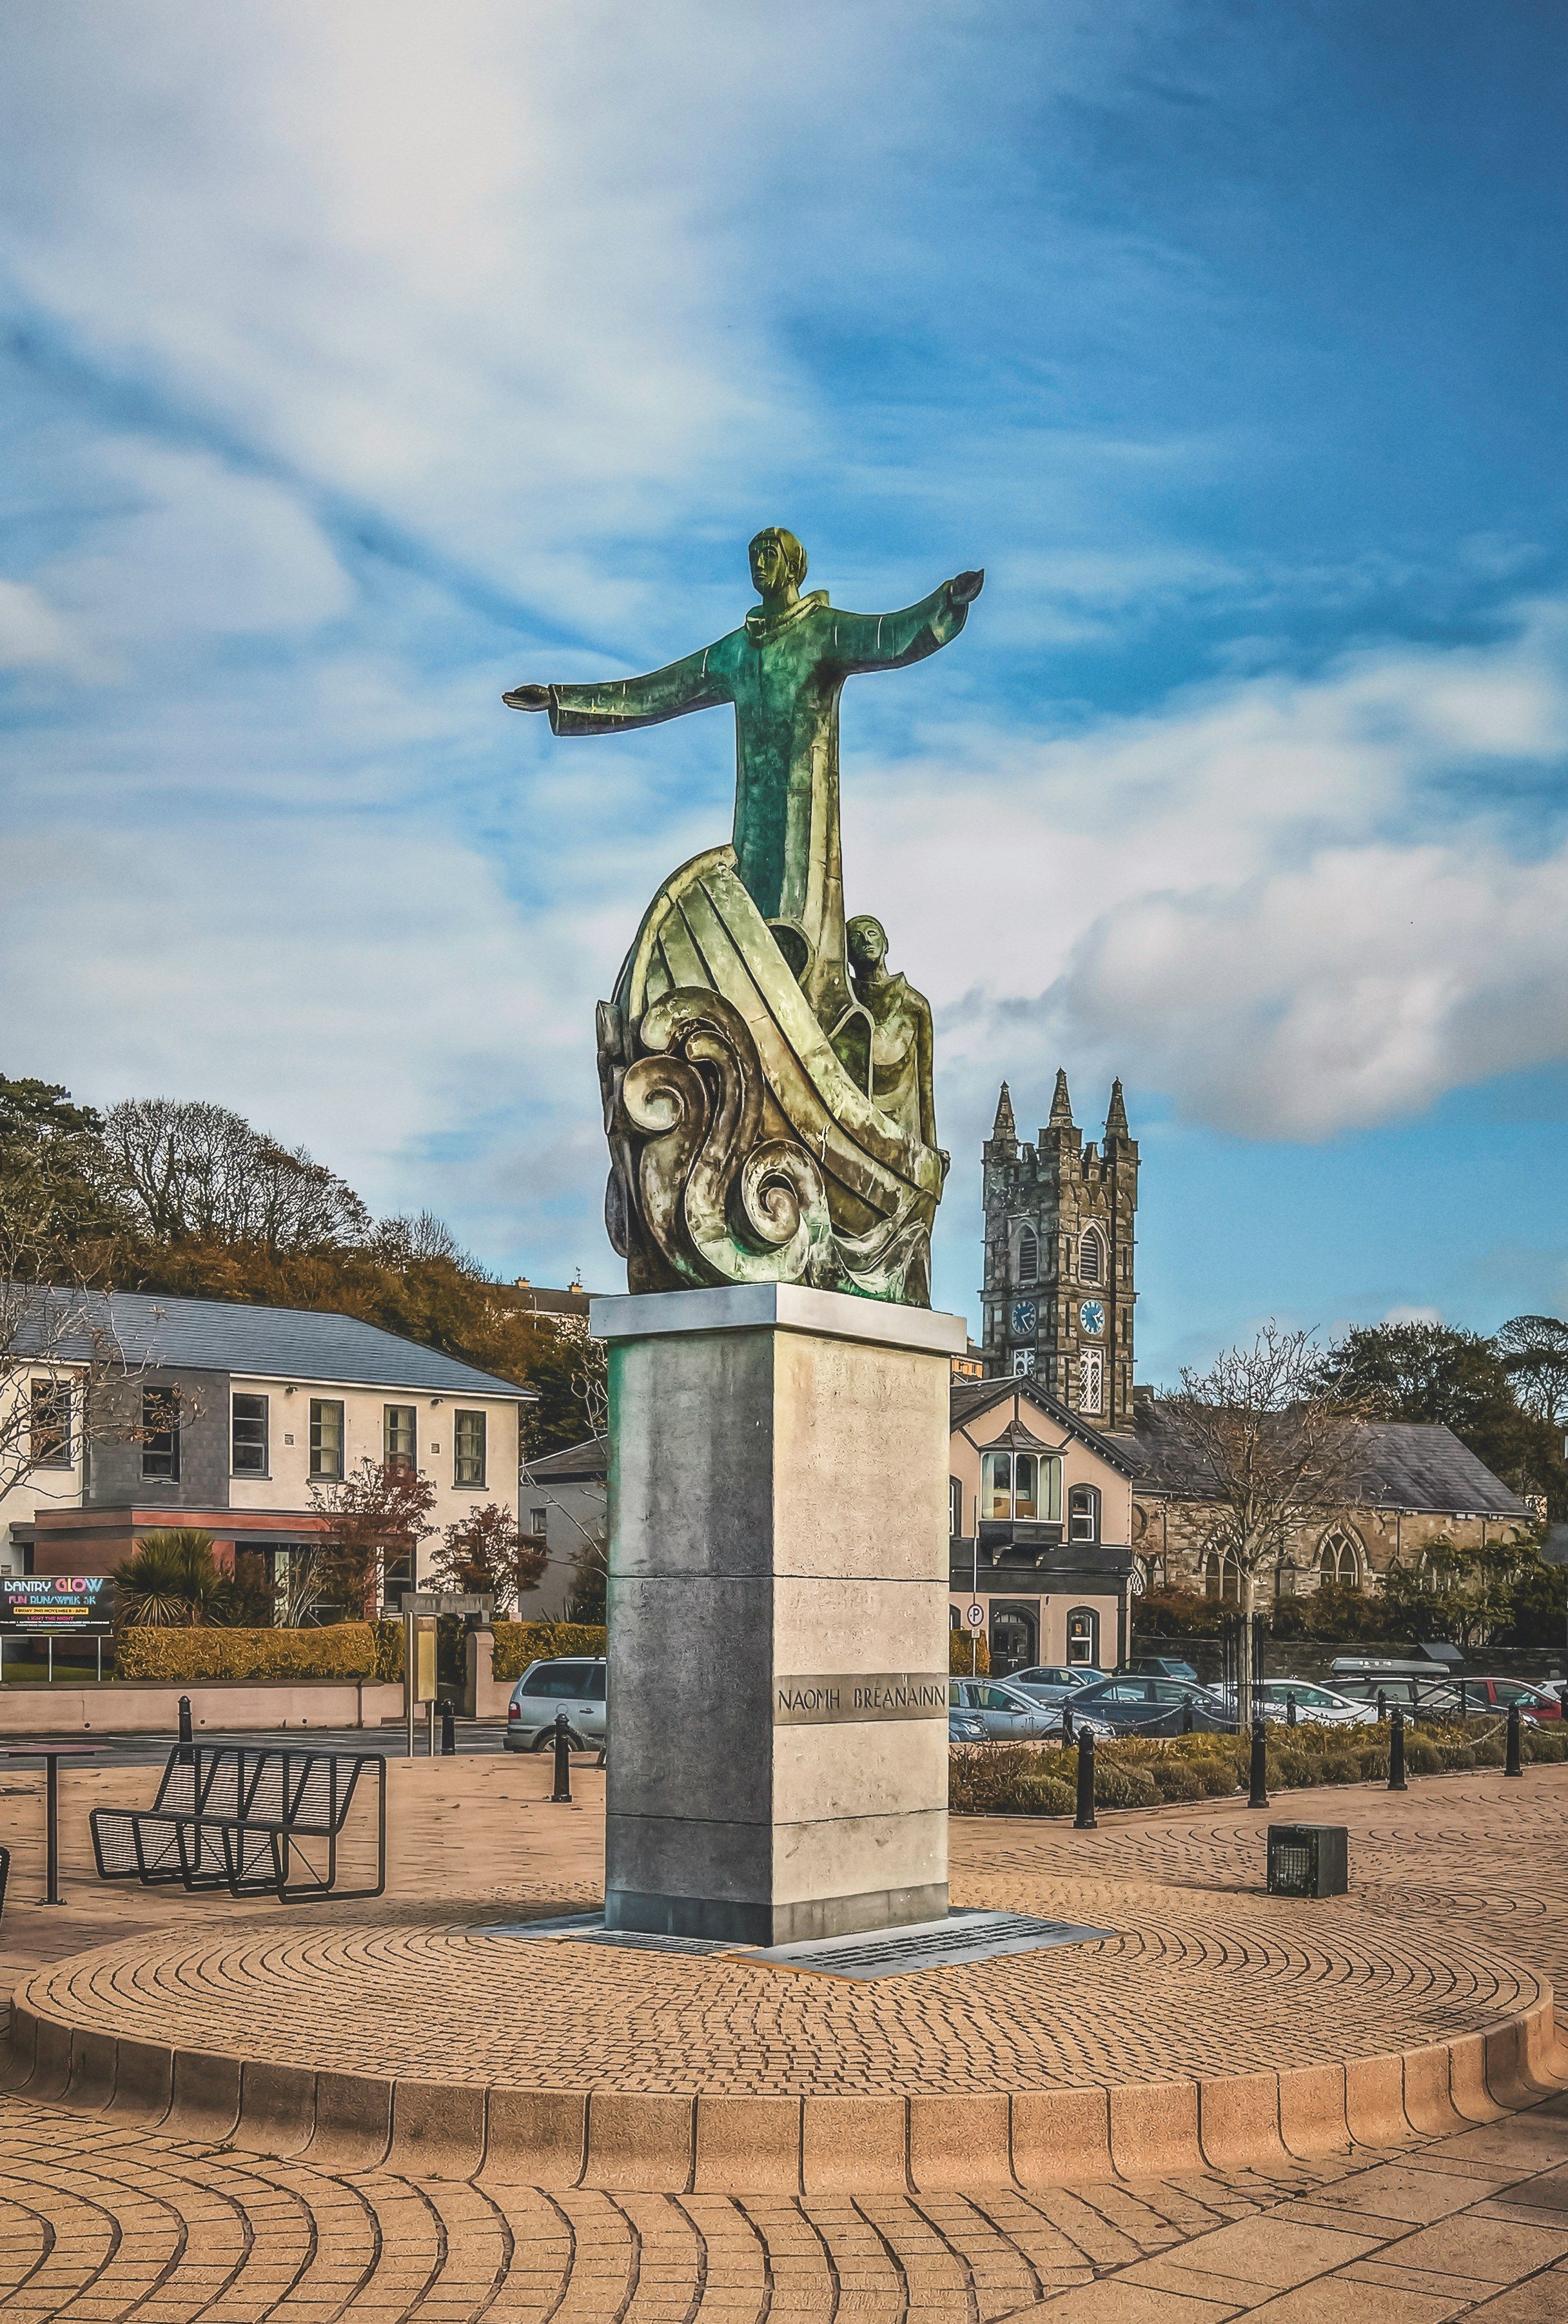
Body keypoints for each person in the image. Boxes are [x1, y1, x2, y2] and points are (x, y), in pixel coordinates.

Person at [506, 530, 982, 1036]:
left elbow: (889, 635)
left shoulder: (822, 633)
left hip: (807, 822)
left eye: (769, 555)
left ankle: (806, 1030)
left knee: (798, 931)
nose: (758, 564)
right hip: (754, 821)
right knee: (748, 935)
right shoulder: (737, 652)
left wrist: (945, 603)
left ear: (793, 566)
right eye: (753, 556)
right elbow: (657, 692)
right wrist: (563, 699)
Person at [847, 915, 939, 1149]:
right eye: (856, 937)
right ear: (846, 952)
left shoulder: (915, 1006)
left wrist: (931, 1145)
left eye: (872, 933)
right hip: (853, 1124)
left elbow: (925, 1082)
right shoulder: (841, 1001)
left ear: (885, 944)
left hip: (902, 1131)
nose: (866, 940)